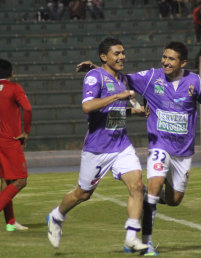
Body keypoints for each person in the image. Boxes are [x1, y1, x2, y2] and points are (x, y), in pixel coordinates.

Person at [78, 41, 201, 256]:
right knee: (153, 188)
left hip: (182, 151)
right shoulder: (151, 78)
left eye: (171, 59)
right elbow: (120, 79)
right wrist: (96, 70)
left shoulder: (195, 82)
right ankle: (146, 243)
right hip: (159, 144)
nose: (165, 62)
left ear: (182, 62)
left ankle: (151, 197)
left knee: (174, 200)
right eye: (164, 57)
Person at [47, 38, 148, 253]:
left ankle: (131, 237)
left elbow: (114, 111)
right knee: (83, 194)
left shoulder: (122, 79)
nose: (122, 57)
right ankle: (56, 216)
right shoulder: (93, 77)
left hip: (121, 144)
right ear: (104, 57)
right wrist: (117, 96)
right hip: (97, 147)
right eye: (116, 53)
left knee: (137, 185)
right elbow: (87, 106)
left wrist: (135, 111)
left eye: (123, 53)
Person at [0, 59, 32, 231]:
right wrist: (26, 131)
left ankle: (10, 222)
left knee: (6, 179)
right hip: (9, 141)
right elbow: (27, 109)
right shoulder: (14, 88)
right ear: (11, 73)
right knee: (20, 180)